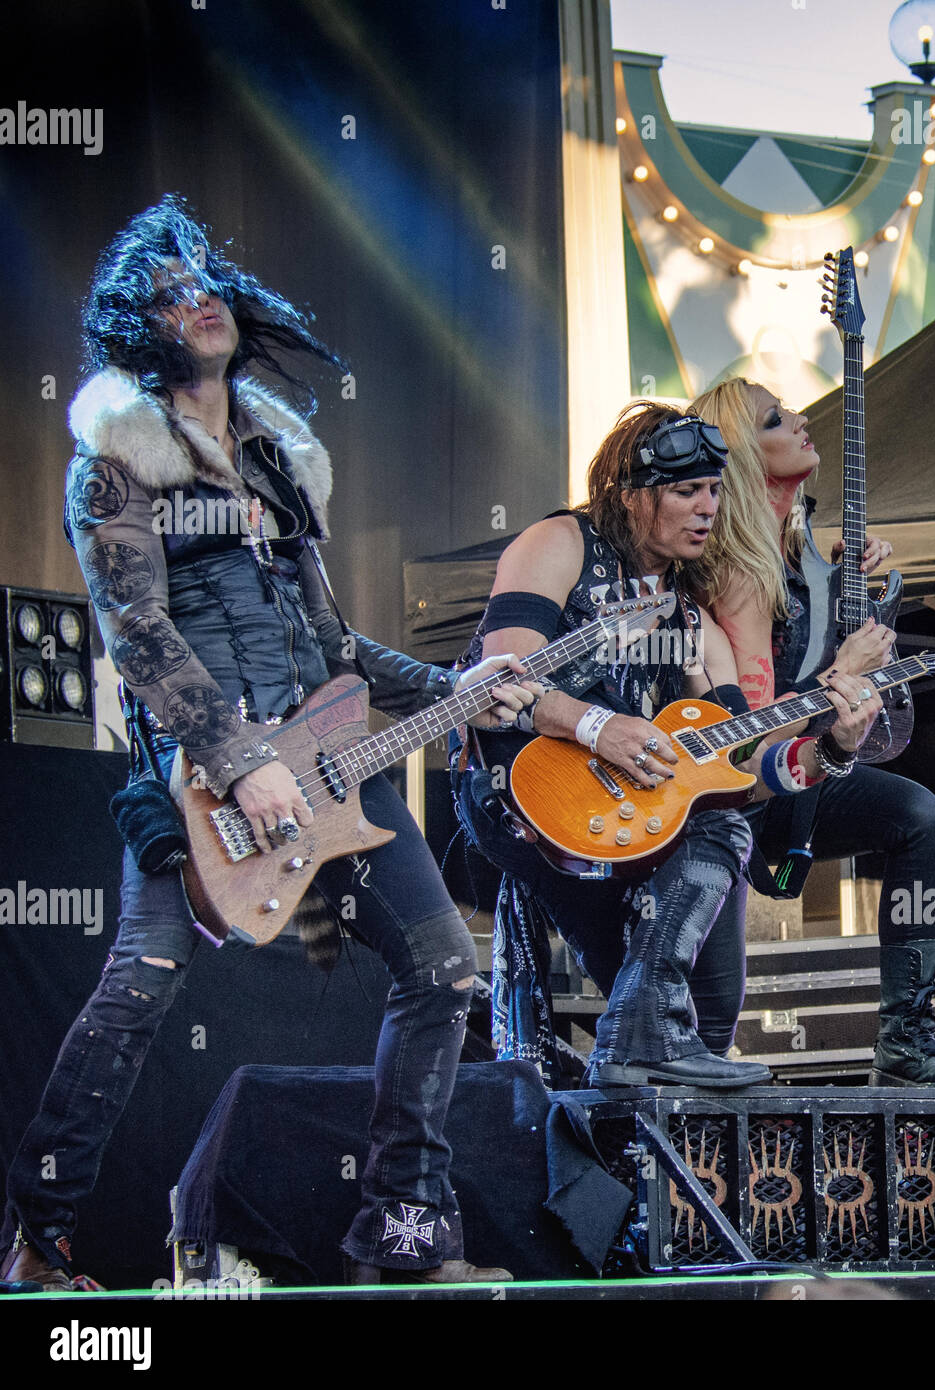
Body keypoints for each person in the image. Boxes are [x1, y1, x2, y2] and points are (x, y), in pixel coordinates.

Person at [0, 196, 535, 1290]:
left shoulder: (281, 462)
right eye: (167, 294)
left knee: (445, 969)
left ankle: (402, 1229)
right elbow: (137, 631)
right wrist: (242, 756)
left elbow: (333, 642)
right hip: (204, 774)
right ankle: (33, 1244)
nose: (195, 302)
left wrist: (455, 687)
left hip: (335, 767)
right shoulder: (114, 460)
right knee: (139, 987)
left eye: (206, 283)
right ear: (134, 325)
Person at [453, 402, 880, 1088]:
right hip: (516, 790)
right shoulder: (559, 543)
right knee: (654, 970)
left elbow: (739, 771)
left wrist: (832, 745)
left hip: (622, 806)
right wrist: (598, 726)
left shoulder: (689, 616)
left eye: (714, 490)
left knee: (707, 1006)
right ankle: (628, 1050)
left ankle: (643, 1123)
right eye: (687, 491)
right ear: (631, 496)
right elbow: (498, 684)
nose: (707, 507)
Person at [690, 379, 935, 1089]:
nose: (801, 421)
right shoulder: (739, 574)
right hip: (741, 795)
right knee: (712, 1018)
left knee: (922, 820)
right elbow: (750, 743)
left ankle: (906, 1033)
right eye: (775, 419)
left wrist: (845, 577)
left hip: (811, 771)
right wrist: (843, 668)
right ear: (741, 453)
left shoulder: (795, 551)